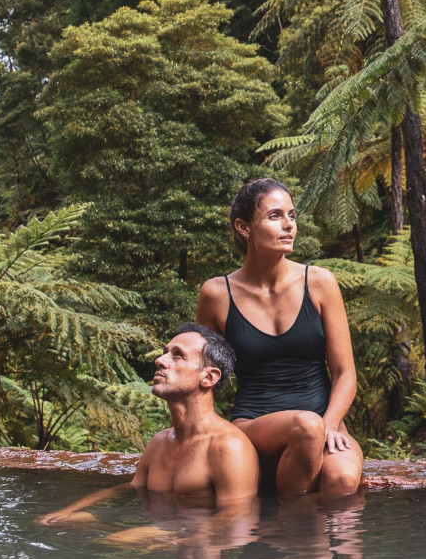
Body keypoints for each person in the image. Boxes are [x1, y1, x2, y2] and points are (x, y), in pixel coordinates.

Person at [196, 178, 363, 497]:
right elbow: (202, 380)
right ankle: (292, 535)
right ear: (244, 227)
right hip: (255, 423)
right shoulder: (217, 294)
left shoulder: (319, 283)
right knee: (306, 426)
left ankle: (300, 540)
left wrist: (329, 423)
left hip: (323, 421)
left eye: (292, 215)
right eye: (275, 216)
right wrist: (209, 439)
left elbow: (345, 374)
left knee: (341, 479)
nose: (289, 225)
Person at [38, 323, 259, 525]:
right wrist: (68, 512)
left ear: (209, 377)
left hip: (201, 554)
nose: (160, 360)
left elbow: (236, 520)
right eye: (165, 353)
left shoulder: (229, 446)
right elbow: (130, 490)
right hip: (171, 545)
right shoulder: (160, 442)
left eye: (178, 356)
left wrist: (151, 536)